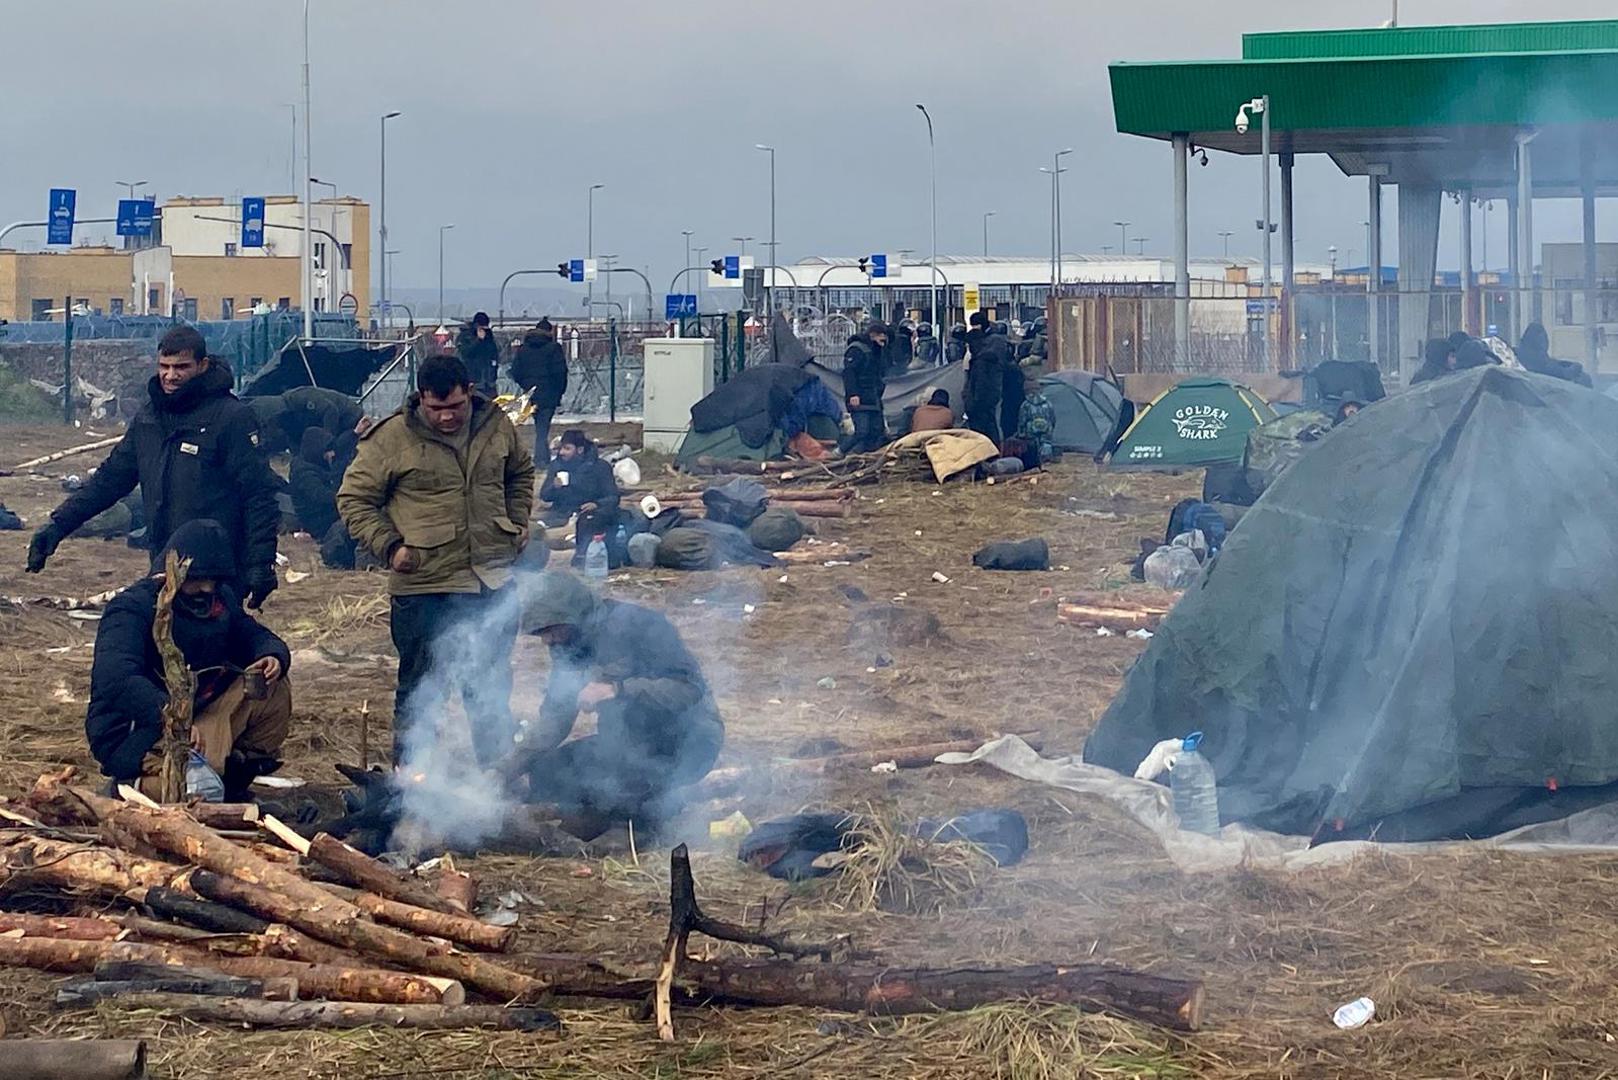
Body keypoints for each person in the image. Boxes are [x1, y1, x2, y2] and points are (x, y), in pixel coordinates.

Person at [337, 353, 536, 767]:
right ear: (421, 399)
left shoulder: (497, 426)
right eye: (436, 409)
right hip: (424, 586)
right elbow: (353, 499)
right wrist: (391, 547)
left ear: (470, 393)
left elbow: (520, 472)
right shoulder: (391, 437)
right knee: (421, 691)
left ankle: (495, 783)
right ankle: (412, 783)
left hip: (490, 583)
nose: (447, 417)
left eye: (455, 407)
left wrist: (517, 522)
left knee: (490, 689)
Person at [27, 326, 282, 609]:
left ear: (202, 365)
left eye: (181, 367)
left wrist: (261, 563)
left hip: (218, 567)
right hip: (164, 559)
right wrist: (58, 524)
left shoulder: (231, 418)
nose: (171, 376)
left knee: (213, 647)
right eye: (165, 366)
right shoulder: (149, 419)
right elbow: (110, 480)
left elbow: (259, 494)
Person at [86, 520, 291, 801]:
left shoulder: (221, 601)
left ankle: (232, 779)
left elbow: (252, 635)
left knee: (273, 688)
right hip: (138, 731)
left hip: (199, 712)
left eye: (212, 581)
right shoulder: (132, 609)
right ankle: (133, 788)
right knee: (200, 792)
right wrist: (171, 716)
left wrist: (272, 655)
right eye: (197, 580)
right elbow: (116, 678)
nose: (206, 589)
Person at [509, 572, 724, 839]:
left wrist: (618, 690)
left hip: (683, 744)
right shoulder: (568, 645)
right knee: (546, 773)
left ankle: (657, 818)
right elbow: (555, 718)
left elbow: (688, 690)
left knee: (614, 797)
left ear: (573, 615)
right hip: (623, 745)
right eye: (542, 633)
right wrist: (506, 769)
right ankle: (603, 818)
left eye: (550, 630)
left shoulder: (642, 626)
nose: (547, 641)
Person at [539, 430, 622, 561]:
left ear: (580, 449)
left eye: (567, 449)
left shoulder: (600, 467)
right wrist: (554, 487)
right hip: (561, 514)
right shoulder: (557, 465)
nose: (561, 453)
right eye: (561, 448)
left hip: (589, 515)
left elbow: (613, 496)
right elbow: (544, 496)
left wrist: (596, 504)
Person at [508, 317, 569, 463]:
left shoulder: (524, 349)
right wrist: (559, 392)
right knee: (543, 429)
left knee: (539, 427)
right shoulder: (554, 348)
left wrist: (526, 385)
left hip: (531, 394)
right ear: (549, 332)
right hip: (549, 394)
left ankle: (542, 457)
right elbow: (560, 373)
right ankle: (541, 459)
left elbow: (515, 371)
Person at [250, 385, 367, 454]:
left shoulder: (300, 398)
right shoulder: (288, 418)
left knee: (340, 454)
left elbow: (330, 410)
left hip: (349, 416)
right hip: (331, 422)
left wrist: (327, 443)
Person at [287, 426, 355, 540]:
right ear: (317, 450)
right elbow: (322, 496)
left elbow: (340, 450)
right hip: (317, 520)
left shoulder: (315, 464)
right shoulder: (304, 473)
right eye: (327, 451)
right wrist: (348, 498)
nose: (332, 454)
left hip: (324, 514)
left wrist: (354, 433)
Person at [840, 320, 889, 453]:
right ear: (873, 335)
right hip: (860, 398)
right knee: (862, 431)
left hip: (873, 398)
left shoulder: (876, 351)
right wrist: (853, 394)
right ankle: (839, 452)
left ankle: (866, 458)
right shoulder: (857, 349)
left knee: (876, 432)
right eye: (881, 335)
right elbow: (849, 373)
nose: (884, 339)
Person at [964, 311, 1009, 445]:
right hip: (992, 389)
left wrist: (973, 401)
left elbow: (980, 381)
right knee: (990, 421)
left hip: (986, 392)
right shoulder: (993, 342)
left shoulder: (990, 347)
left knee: (987, 423)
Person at [1517, 321, 1593, 386]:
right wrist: (1575, 368)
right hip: (1548, 391)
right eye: (1542, 340)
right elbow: (1561, 373)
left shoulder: (1527, 354)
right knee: (1584, 379)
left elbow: (1554, 363)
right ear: (1533, 341)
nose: (1545, 343)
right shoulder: (1533, 359)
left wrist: (1568, 364)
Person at [1013, 370, 1058, 469]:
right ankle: (1046, 462)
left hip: (1030, 435)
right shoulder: (1048, 403)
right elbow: (1053, 419)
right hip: (1047, 433)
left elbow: (1022, 421)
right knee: (1046, 446)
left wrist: (1021, 434)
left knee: (1032, 450)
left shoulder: (1025, 405)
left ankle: (1034, 464)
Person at [456, 312, 501, 397]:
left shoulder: (489, 337)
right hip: (474, 380)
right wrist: (478, 340)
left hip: (489, 382)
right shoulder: (465, 336)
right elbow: (465, 353)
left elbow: (494, 353)